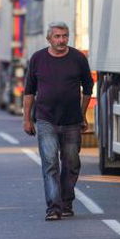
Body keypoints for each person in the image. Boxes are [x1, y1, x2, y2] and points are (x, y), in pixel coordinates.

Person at [23, 21, 94, 221]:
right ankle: (54, 207)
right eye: (57, 36)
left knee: (71, 163)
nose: (61, 40)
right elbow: (29, 91)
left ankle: (66, 202)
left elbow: (88, 87)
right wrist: (26, 119)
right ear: (49, 39)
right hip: (46, 120)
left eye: (64, 36)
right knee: (50, 163)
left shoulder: (78, 58)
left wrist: (82, 114)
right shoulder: (38, 59)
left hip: (72, 121)